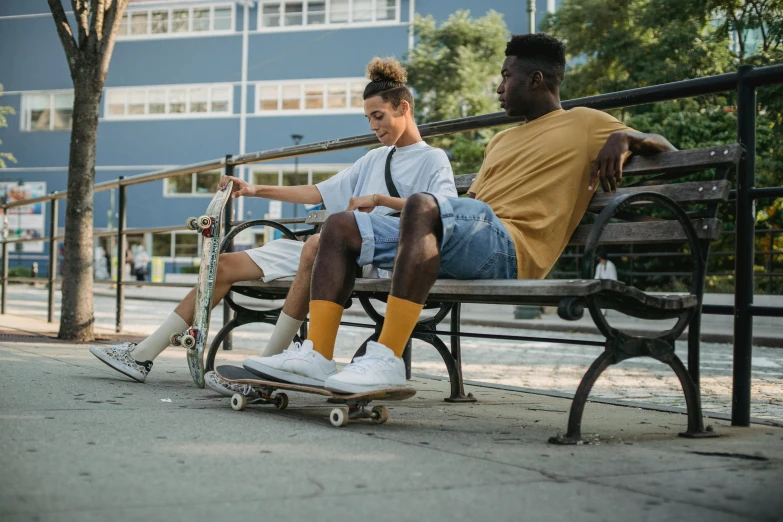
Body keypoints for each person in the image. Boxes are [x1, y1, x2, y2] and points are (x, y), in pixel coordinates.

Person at [244, 34, 676, 393]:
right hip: (468, 237)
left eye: (507, 76)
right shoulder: (501, 142)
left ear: (537, 79)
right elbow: (463, 212)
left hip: (511, 250)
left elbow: (664, 147)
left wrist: (627, 139)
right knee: (340, 226)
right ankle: (317, 355)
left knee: (422, 203)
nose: (499, 87)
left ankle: (387, 358)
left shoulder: (584, 122)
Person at [88, 57, 457, 385]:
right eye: (369, 119)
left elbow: (442, 208)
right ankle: (142, 356)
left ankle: (263, 370)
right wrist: (253, 189)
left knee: (313, 247)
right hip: (334, 245)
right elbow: (316, 193)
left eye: (379, 117)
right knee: (224, 265)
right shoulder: (375, 158)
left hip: (374, 255)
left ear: (403, 108)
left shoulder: (432, 158)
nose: (374, 126)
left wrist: (379, 200)